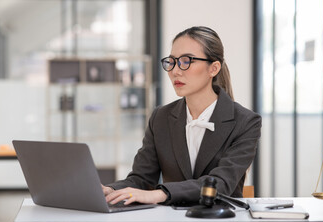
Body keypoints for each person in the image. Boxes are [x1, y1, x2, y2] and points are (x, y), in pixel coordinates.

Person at [102, 26, 262, 207]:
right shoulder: (160, 118)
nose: (175, 71)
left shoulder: (246, 122)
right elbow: (142, 179)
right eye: (171, 62)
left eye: (186, 61)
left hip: (221, 219)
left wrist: (161, 194)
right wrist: (112, 190)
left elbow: (222, 183)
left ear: (214, 68)